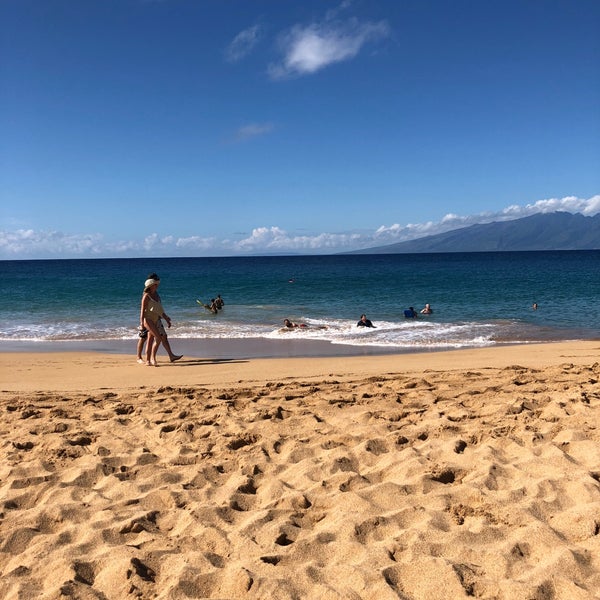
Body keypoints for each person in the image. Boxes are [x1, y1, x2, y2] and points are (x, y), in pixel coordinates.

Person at [140, 276, 183, 366]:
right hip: (148, 320)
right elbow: (142, 311)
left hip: (156, 319)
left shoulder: (157, 295)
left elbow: (159, 309)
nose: (157, 286)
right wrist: (141, 324)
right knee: (158, 338)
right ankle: (150, 359)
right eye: (155, 284)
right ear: (150, 286)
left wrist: (166, 318)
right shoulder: (146, 296)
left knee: (151, 340)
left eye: (157, 284)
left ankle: (150, 360)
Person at [136, 272, 158, 363]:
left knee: (149, 338)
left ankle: (148, 358)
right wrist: (141, 322)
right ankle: (139, 357)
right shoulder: (146, 293)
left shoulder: (155, 292)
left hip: (152, 318)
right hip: (146, 318)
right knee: (143, 337)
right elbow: (142, 309)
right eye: (156, 279)